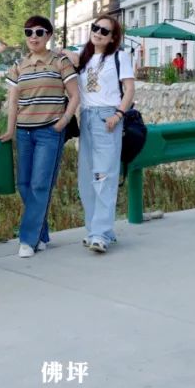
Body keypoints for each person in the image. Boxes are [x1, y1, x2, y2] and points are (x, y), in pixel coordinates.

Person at [0, 16, 80, 258]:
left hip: (49, 132)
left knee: (40, 184)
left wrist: (63, 122)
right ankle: (41, 234)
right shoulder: (18, 66)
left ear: (48, 35)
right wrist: (10, 130)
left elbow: (75, 96)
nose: (33, 36)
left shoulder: (60, 62)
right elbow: (13, 101)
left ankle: (27, 239)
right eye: (28, 32)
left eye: (39, 32)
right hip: (24, 132)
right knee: (24, 184)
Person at [72, 16, 134, 254]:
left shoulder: (120, 57)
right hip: (86, 117)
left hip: (107, 117)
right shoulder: (83, 56)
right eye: (95, 28)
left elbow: (129, 89)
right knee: (86, 177)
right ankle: (97, 230)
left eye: (104, 31)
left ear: (112, 37)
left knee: (104, 176)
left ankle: (100, 233)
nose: (98, 33)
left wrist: (118, 115)